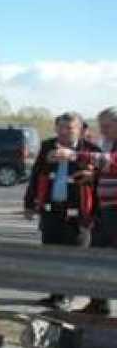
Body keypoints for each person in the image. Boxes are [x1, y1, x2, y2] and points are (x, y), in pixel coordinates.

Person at [24, 111, 100, 310]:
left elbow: (99, 180)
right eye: (61, 128)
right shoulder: (48, 146)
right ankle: (55, 294)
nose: (64, 133)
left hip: (77, 214)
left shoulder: (91, 150)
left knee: (72, 256)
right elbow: (36, 175)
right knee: (51, 255)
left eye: (70, 128)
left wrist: (80, 164)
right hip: (51, 210)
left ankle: (67, 295)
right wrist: (29, 204)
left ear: (80, 130)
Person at [49, 106, 117, 316]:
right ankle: (99, 303)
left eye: (106, 126)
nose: (102, 131)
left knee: (105, 257)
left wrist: (74, 155)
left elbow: (109, 162)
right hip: (106, 209)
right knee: (97, 256)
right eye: (101, 126)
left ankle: (100, 302)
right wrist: (94, 178)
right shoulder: (110, 143)